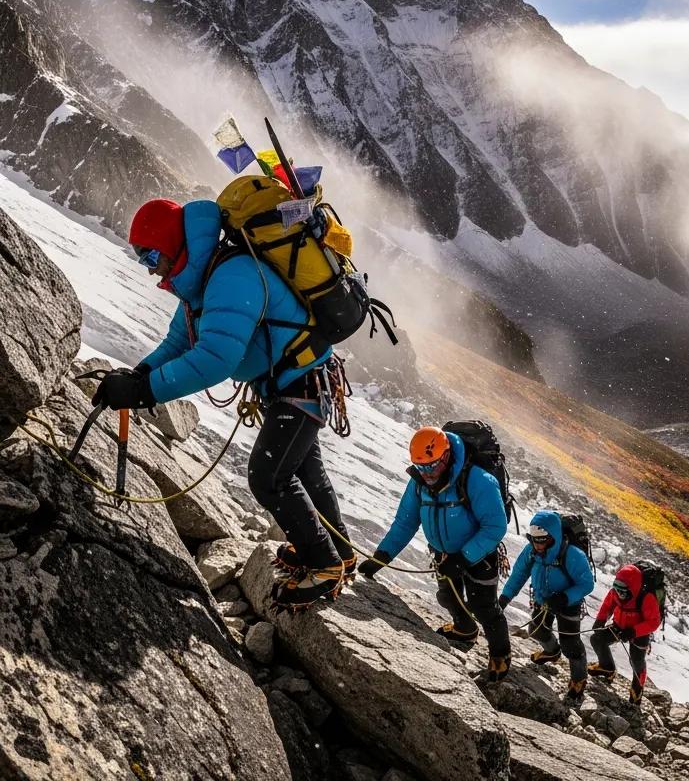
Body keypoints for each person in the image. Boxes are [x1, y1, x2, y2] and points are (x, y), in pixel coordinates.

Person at [92, 197, 356, 609]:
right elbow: (180, 342)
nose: (148, 266)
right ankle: (340, 552)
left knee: (268, 476)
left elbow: (216, 357)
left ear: (171, 243)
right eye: (141, 256)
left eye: (151, 253)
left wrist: (143, 393)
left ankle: (323, 565)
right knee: (304, 467)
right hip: (296, 380)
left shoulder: (232, 274)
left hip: (300, 380)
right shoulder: (200, 281)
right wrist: (139, 375)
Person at [358, 426, 511, 682]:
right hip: (442, 554)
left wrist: (463, 558)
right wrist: (381, 557)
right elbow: (406, 522)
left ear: (447, 455)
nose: (427, 473)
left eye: (432, 465)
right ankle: (464, 630)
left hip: (479, 555)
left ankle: (500, 656)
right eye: (421, 467)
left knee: (483, 607)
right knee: (447, 596)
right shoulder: (419, 482)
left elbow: (496, 526)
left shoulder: (478, 480)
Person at [498, 510, 595, 705]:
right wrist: (504, 598)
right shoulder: (531, 551)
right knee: (536, 630)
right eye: (534, 539)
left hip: (568, 604)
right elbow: (519, 575)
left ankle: (578, 679)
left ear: (554, 537)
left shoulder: (573, 555)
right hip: (543, 599)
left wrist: (566, 597)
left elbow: (587, 584)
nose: (538, 544)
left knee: (571, 644)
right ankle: (552, 652)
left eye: (542, 540)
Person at [588, 564, 662, 705]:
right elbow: (608, 605)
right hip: (619, 627)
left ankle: (637, 689)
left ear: (633, 587)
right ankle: (607, 668)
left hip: (639, 633)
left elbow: (653, 622)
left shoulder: (646, 597)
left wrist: (634, 631)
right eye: (617, 589)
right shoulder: (617, 591)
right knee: (597, 639)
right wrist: (600, 620)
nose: (619, 594)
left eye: (623, 591)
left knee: (637, 662)